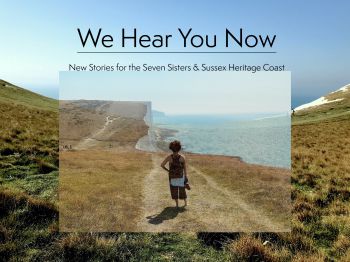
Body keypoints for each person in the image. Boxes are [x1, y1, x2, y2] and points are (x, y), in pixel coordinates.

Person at [161, 140, 189, 207]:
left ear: (171, 149)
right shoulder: (182, 158)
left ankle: (177, 205)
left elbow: (162, 165)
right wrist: (186, 176)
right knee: (182, 190)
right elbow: (184, 168)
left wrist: (168, 171)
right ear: (179, 148)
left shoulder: (169, 157)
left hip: (172, 177)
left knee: (174, 190)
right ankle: (185, 203)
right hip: (181, 177)